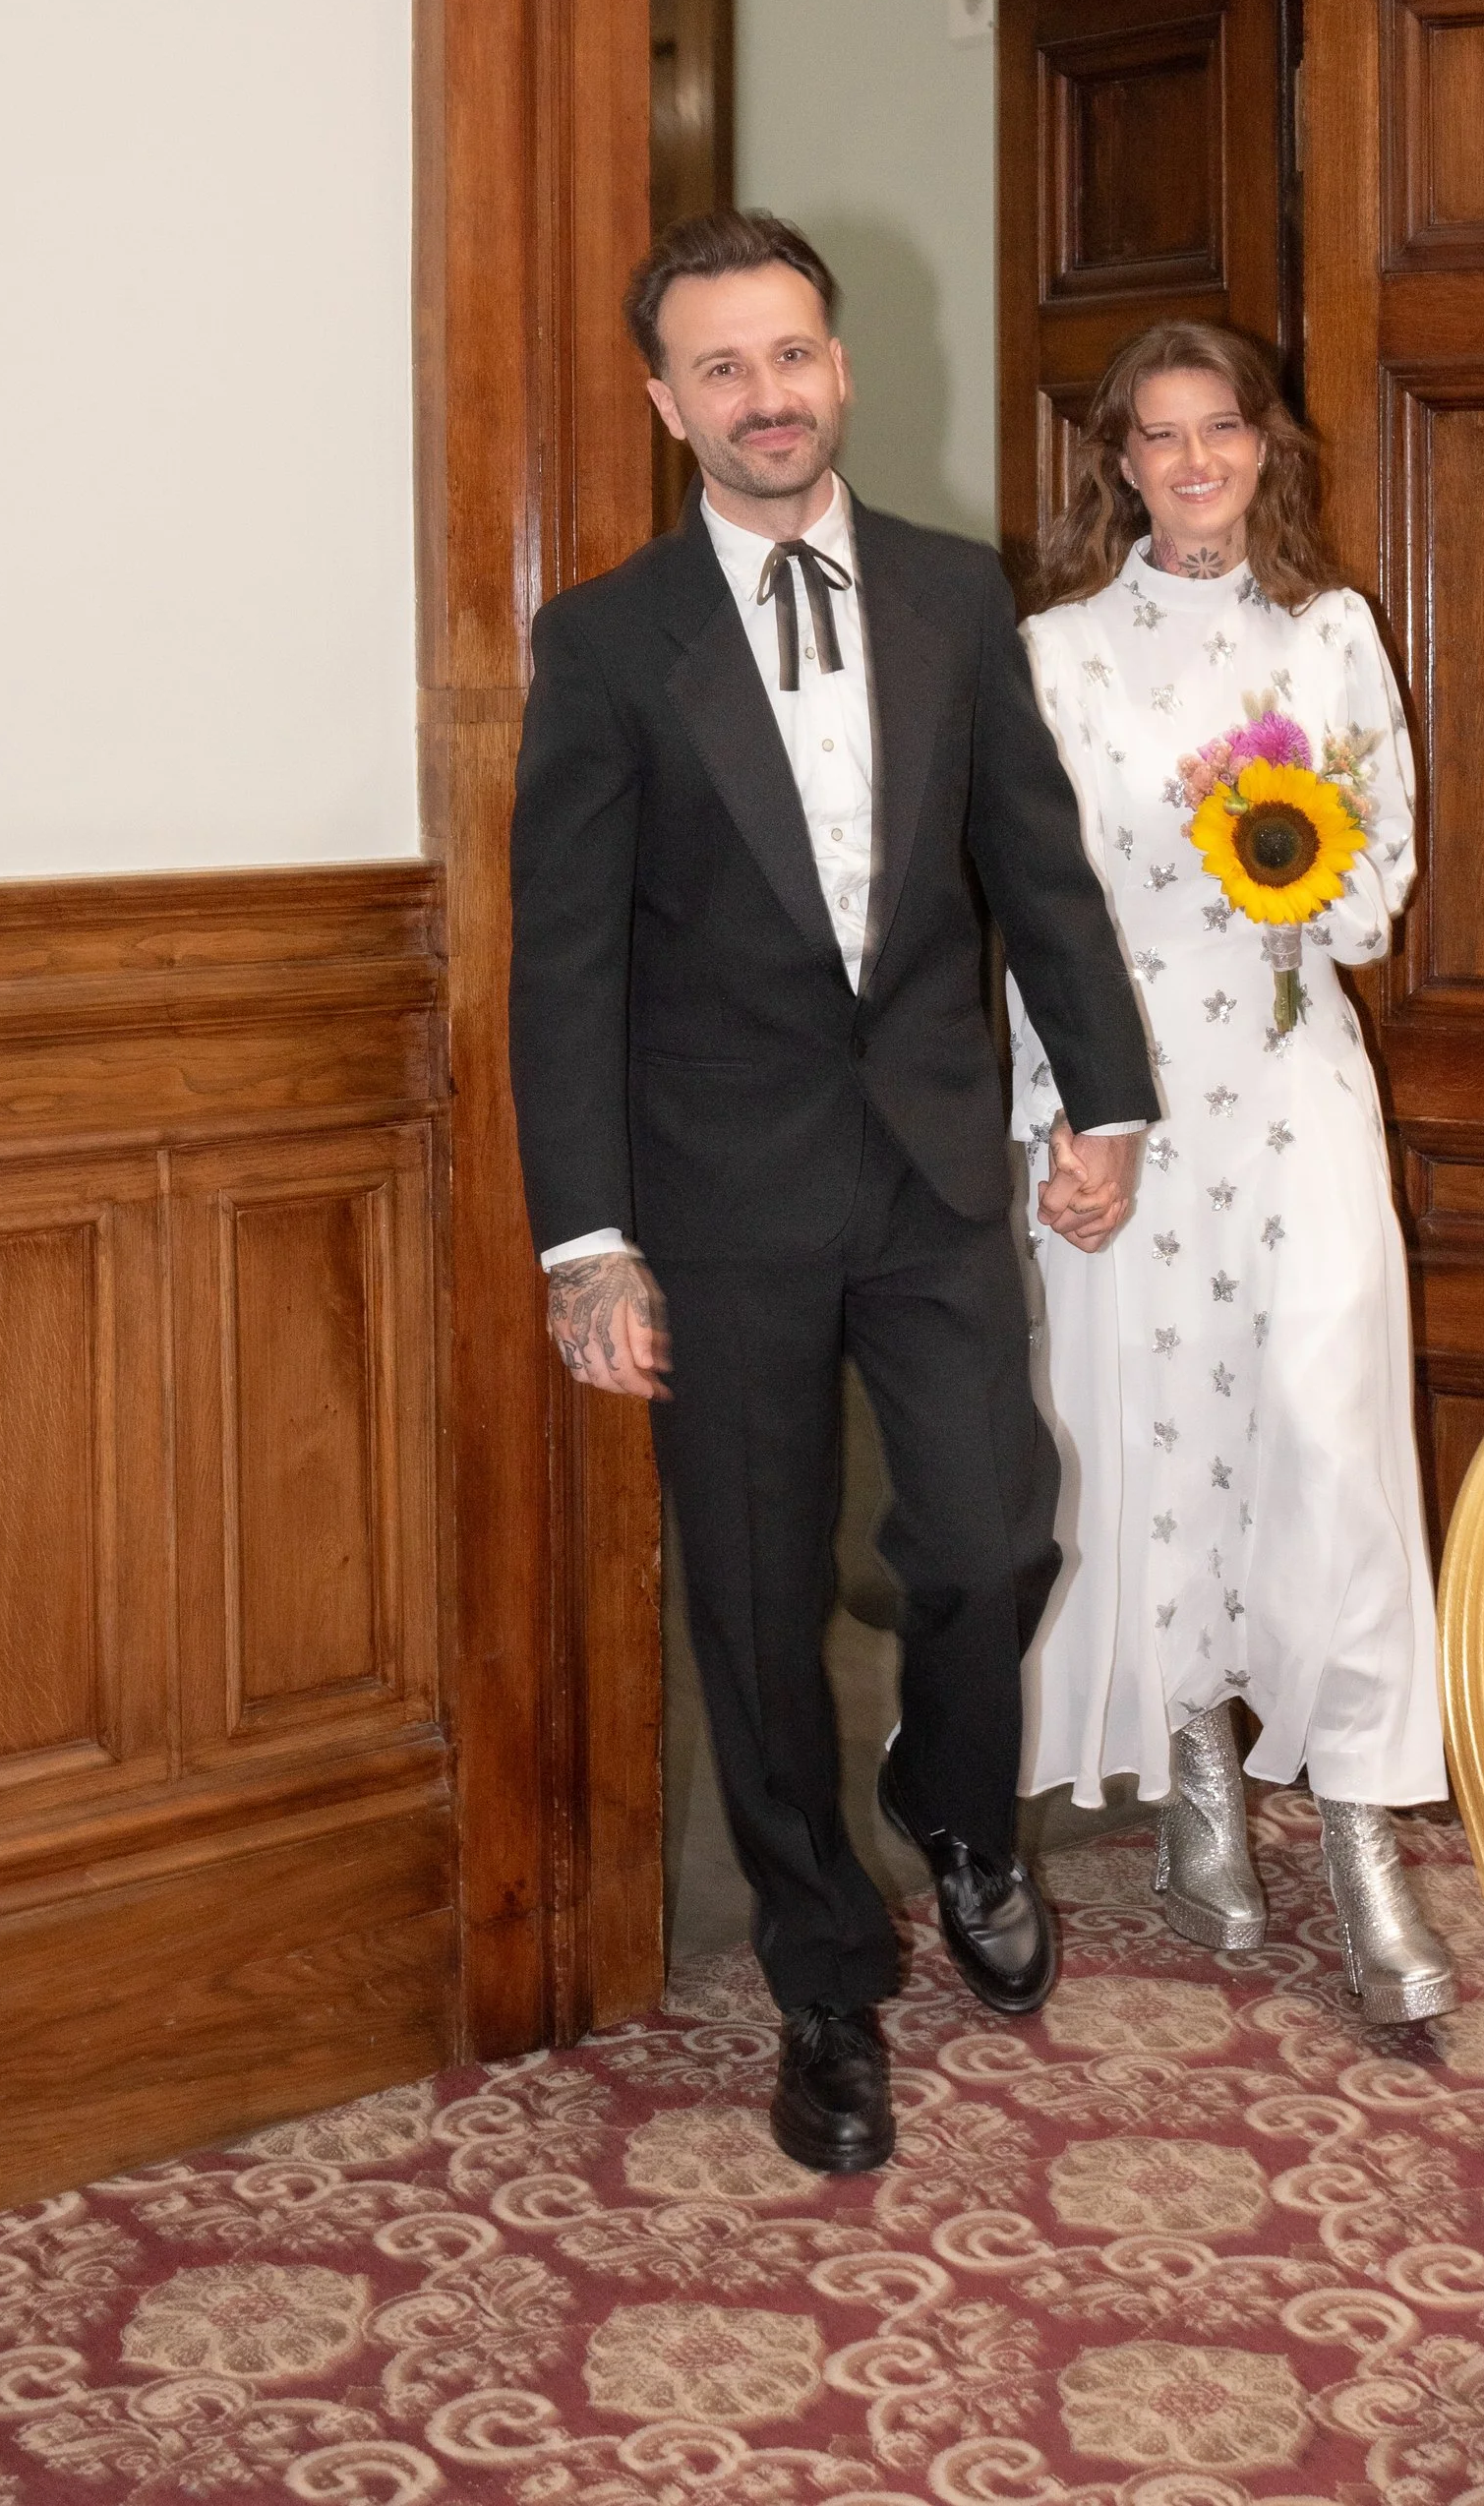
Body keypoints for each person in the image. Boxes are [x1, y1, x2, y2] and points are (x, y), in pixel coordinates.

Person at [508, 207, 1154, 2178]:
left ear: (837, 367)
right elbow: (567, 958)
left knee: (988, 1539)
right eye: (719, 367)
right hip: (714, 1196)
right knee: (759, 1604)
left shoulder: (961, 598)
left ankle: (956, 1808)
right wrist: (585, 1240)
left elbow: (1031, 870)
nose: (763, 396)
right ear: (663, 400)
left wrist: (1102, 1104)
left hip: (935, 1168)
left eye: (788, 356)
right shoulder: (611, 640)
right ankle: (818, 1983)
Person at [1011, 319, 1454, 2023]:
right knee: (1156, 1417)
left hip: (1290, 1079)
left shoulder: (1329, 632)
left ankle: (1354, 1826)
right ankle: (1201, 1765)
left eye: (1224, 433)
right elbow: (1043, 912)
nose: (1195, 464)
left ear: (1268, 450)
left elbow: (1372, 891)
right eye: (1160, 437)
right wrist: (1070, 1117)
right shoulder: (1059, 655)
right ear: (1119, 461)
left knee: (1329, 1426)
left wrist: (1291, 866)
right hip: (1130, 1098)